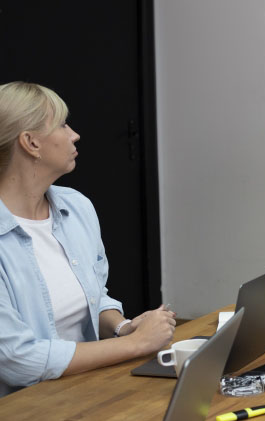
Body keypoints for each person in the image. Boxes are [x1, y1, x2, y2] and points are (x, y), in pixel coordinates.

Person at [0, 82, 175, 397]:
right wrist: (136, 343)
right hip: (22, 414)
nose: (74, 134)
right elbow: (16, 359)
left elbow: (95, 298)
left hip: (85, 390)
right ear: (30, 143)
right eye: (63, 125)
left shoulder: (76, 206)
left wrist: (124, 327)